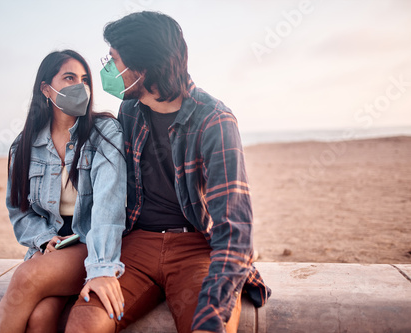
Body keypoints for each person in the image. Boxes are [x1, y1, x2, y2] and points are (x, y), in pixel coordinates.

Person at [65, 12, 271, 333]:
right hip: (136, 244)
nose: (108, 69)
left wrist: (214, 308)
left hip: (196, 247)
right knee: (83, 324)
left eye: (114, 59)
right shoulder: (129, 110)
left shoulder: (215, 120)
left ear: (142, 68)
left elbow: (235, 228)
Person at [0, 50, 127, 333]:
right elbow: (20, 212)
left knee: (25, 278)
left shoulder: (105, 132)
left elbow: (108, 207)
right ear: (46, 89)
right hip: (51, 247)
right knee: (40, 316)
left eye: (85, 79)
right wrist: (45, 240)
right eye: (69, 77)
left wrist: (101, 268)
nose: (81, 86)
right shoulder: (23, 145)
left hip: (93, 243)